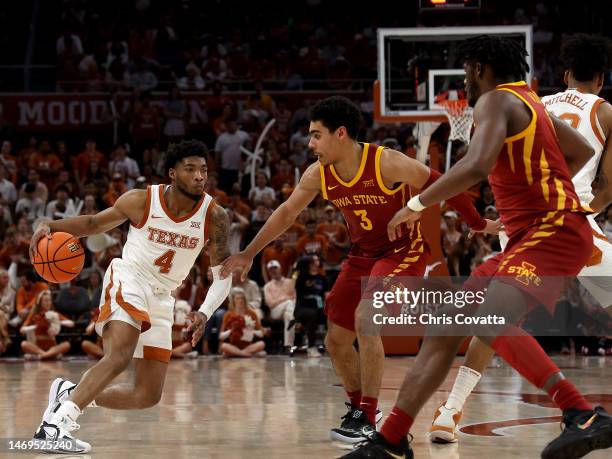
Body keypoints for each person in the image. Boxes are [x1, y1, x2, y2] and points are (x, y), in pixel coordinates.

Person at [343, 35, 612, 459]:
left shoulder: (495, 101)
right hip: (536, 231)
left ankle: (581, 414)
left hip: (553, 230)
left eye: (466, 72)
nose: (464, 84)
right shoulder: (531, 101)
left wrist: (416, 203)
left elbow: (477, 164)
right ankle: (391, 440)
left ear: (481, 69)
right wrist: (531, 198)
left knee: (488, 320)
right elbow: (578, 151)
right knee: (447, 324)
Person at [221, 95, 496, 445]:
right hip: (362, 254)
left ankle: (368, 415)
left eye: (316, 135)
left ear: (340, 134)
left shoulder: (386, 163)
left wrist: (477, 222)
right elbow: (287, 213)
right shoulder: (318, 174)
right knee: (335, 340)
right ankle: (360, 410)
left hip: (402, 254)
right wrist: (248, 252)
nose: (310, 143)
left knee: (367, 316)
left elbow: (441, 181)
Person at [429, 33, 612, 446]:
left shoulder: (535, 102)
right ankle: (581, 414)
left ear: (564, 75)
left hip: (525, 228)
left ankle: (450, 411)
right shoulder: (606, 112)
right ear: (600, 79)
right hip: (575, 226)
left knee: (496, 320)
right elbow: (609, 186)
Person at [28, 140, 231, 453]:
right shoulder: (141, 200)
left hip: (164, 296)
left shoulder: (214, 217)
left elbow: (222, 275)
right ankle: (55, 426)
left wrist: (204, 312)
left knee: (147, 394)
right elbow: (94, 223)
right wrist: (50, 224)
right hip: (130, 278)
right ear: (172, 173)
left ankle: (71, 394)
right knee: (119, 355)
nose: (199, 176)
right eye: (190, 169)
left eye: (203, 170)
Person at [20, 290, 74, 361]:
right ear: (40, 302)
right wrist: (35, 326)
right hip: (37, 347)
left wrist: (58, 322)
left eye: (49, 301)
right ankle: (47, 355)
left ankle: (43, 356)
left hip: (52, 347)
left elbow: (71, 323)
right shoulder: (34, 315)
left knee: (67, 345)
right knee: (24, 344)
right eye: (45, 301)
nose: (48, 303)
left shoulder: (54, 315)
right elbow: (22, 330)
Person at [219, 287, 266, 357]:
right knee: (224, 346)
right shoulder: (228, 314)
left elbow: (261, 334)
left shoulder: (252, 313)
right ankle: (246, 354)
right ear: (233, 300)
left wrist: (252, 331)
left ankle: (235, 353)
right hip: (233, 346)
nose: (240, 301)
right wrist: (231, 331)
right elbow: (221, 336)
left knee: (262, 344)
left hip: (248, 345)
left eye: (242, 298)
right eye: (237, 298)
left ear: (245, 300)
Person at [263, 259, 296, 351]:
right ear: (269, 272)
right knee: (289, 304)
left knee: (289, 315)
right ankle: (289, 345)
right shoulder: (267, 286)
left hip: (288, 309)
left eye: (275, 268)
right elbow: (270, 304)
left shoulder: (290, 282)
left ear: (280, 269)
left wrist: (280, 300)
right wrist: (285, 298)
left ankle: (288, 346)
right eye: (271, 269)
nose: (273, 271)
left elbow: (295, 298)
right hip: (275, 311)